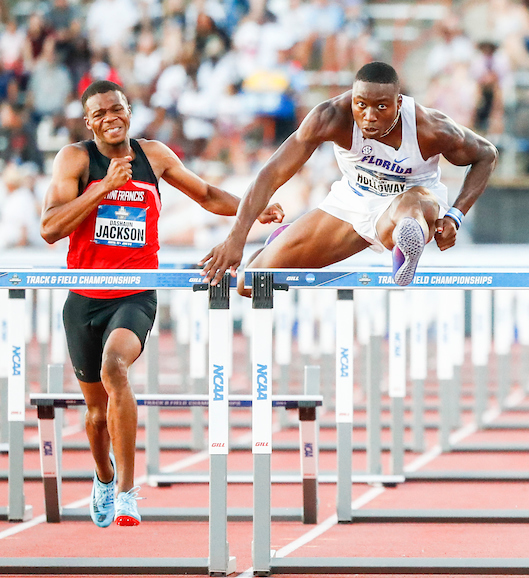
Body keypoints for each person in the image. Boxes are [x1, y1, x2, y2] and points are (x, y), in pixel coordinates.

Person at [38, 80, 283, 528]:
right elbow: (51, 228)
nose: (111, 118)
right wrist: (103, 187)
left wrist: (254, 208)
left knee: (116, 368)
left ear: (129, 112)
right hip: (84, 299)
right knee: (95, 416)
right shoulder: (74, 160)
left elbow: (207, 195)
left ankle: (128, 492)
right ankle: (105, 476)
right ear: (88, 121)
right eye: (100, 114)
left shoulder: (154, 156)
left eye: (118, 110)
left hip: (135, 293)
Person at [200, 62, 498, 291]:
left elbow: (486, 154)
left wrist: (456, 216)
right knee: (251, 281)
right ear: (352, 100)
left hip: (414, 201)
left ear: (399, 103)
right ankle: (288, 237)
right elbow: (272, 173)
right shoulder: (331, 117)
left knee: (409, 208)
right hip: (352, 202)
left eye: (381, 106)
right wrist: (236, 238)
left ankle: (406, 245)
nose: (369, 115)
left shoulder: (431, 128)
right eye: (361, 105)